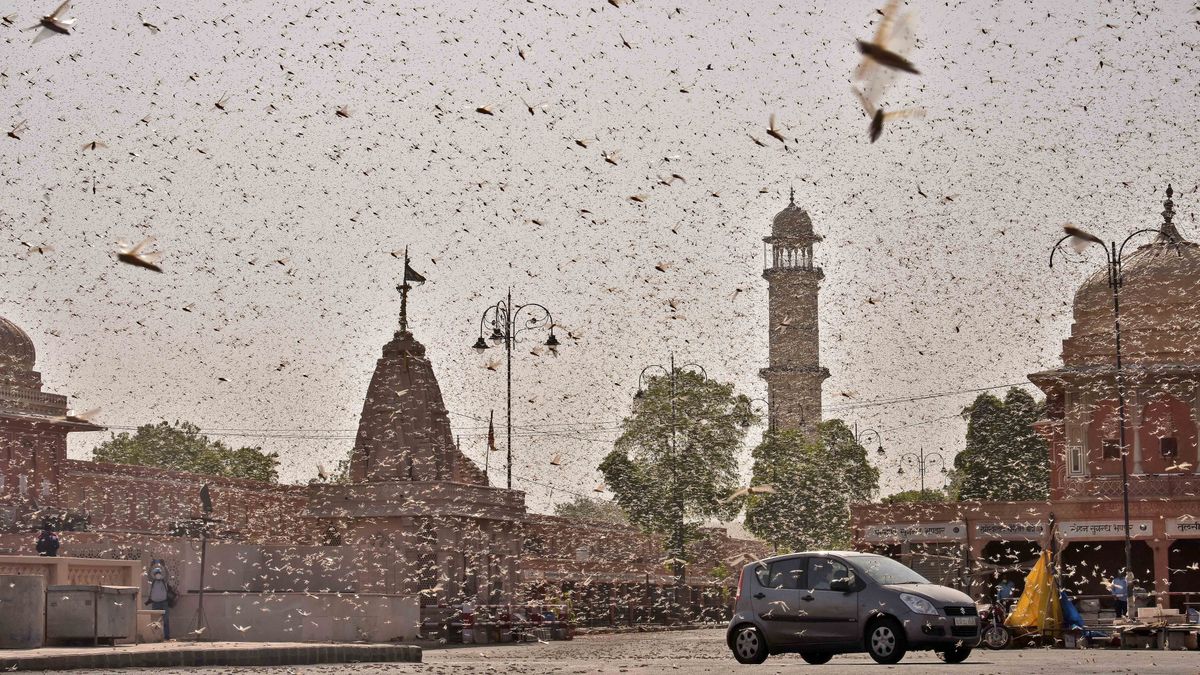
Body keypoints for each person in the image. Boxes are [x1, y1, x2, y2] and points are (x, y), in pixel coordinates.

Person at [145, 560, 175, 639]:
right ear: (154, 575)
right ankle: (156, 637)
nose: (158, 575)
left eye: (159, 573)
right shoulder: (153, 581)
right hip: (155, 603)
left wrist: (164, 566)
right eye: (156, 574)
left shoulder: (164, 580)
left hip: (164, 603)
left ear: (161, 574)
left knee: (165, 620)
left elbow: (167, 574)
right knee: (155, 621)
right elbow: (148, 576)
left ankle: (166, 636)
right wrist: (151, 566)